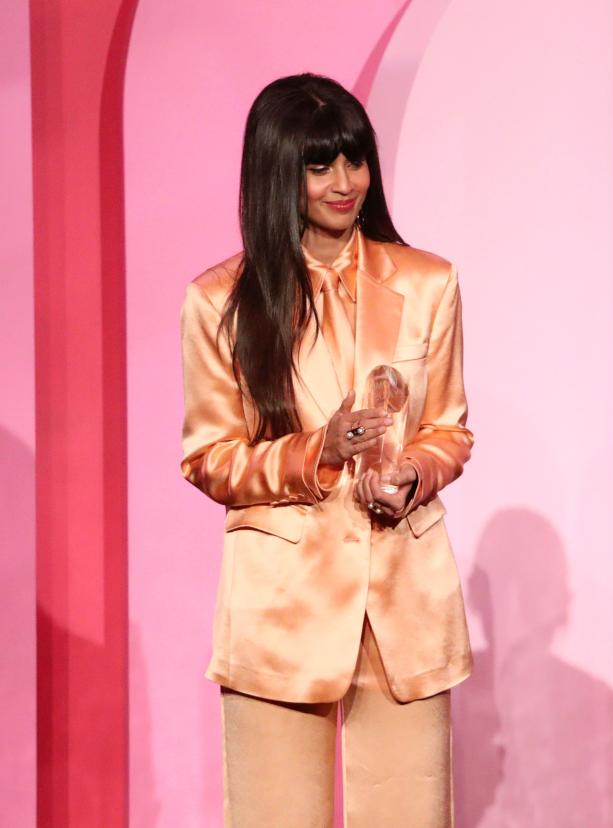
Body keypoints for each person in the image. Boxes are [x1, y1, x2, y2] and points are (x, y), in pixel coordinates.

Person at [180, 73, 472, 826]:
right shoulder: (220, 300)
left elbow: (448, 427)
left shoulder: (429, 282)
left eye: (355, 160)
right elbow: (210, 456)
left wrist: (413, 472)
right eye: (320, 165)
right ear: (279, 171)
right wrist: (318, 450)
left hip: (401, 599)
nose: (346, 183)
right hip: (282, 601)